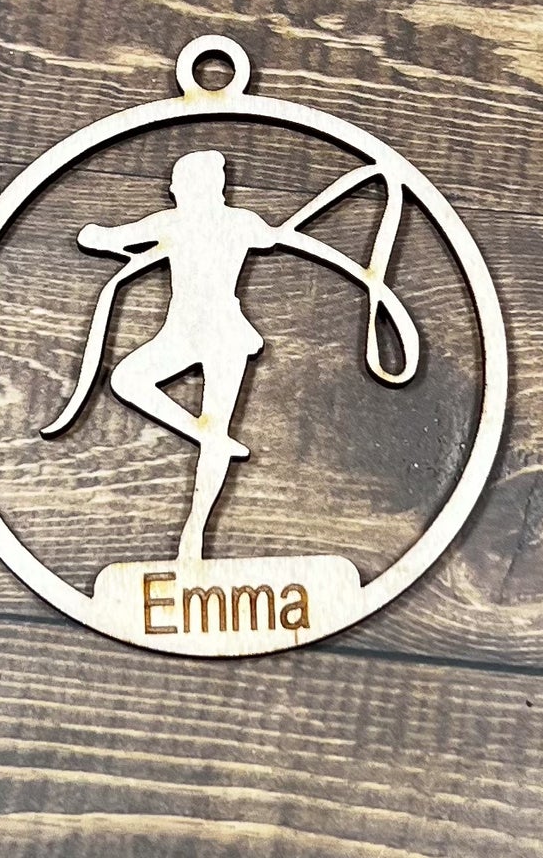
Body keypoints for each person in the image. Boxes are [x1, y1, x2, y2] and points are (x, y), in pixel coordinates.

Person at [43, 143, 418, 568]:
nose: (172, 189)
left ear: (194, 187)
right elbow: (274, 236)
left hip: (221, 336)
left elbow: (104, 237)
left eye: (178, 183)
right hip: (191, 335)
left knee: (135, 386)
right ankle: (209, 438)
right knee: (129, 381)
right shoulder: (231, 222)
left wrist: (98, 236)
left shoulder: (180, 223)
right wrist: (109, 242)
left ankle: (195, 529)